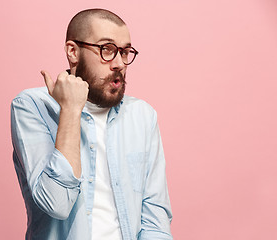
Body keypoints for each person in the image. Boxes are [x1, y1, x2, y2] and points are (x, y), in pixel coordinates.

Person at [11, 8, 173, 240]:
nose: (119, 63)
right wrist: (70, 110)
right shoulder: (31, 106)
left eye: (125, 52)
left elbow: (155, 215)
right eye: (107, 50)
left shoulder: (142, 116)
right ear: (73, 51)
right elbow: (56, 203)